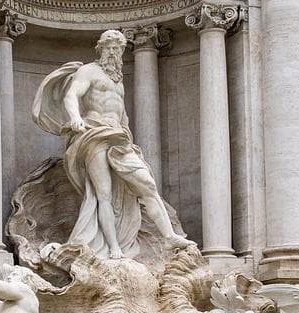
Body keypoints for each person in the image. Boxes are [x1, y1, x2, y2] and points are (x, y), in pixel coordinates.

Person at [32, 30, 194, 259]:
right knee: (104, 194)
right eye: (109, 47)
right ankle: (113, 247)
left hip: (119, 137)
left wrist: (127, 135)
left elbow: (121, 114)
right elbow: (71, 95)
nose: (113, 52)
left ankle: (169, 236)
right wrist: (76, 118)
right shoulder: (88, 71)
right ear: (100, 49)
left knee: (147, 184)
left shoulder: (118, 80)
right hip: (94, 132)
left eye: (117, 48)